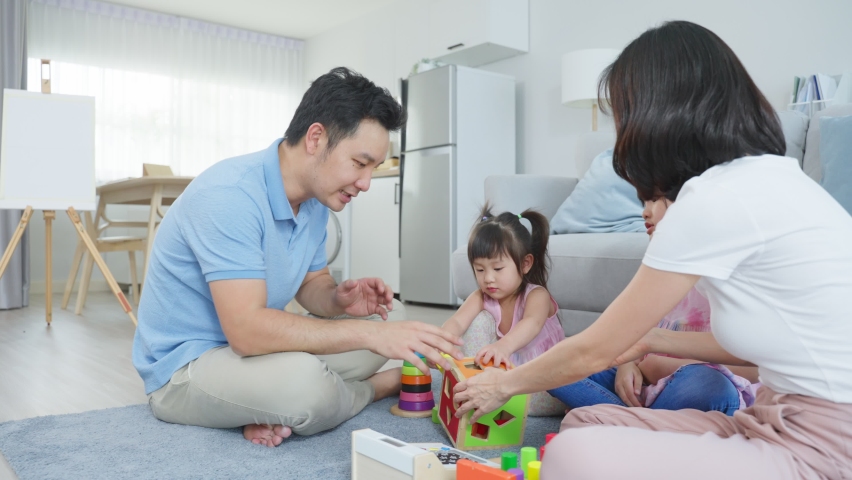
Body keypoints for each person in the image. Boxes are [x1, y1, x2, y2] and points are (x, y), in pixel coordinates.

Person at [451, 21, 852, 479]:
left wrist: (504, 384)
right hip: (767, 418)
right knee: (584, 423)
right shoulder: (769, 177)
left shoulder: (713, 199)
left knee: (570, 454)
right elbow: (770, 341)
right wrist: (651, 339)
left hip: (824, 444)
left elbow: (595, 349)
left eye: (624, 113)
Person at [132, 67, 463, 448]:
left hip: (251, 351)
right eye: (360, 163)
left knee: (394, 315)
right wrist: (371, 334)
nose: (367, 183)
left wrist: (340, 300)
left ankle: (262, 404)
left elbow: (311, 283)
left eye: (373, 168)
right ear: (316, 138)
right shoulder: (229, 195)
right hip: (187, 368)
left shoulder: (315, 199)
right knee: (306, 382)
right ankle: (369, 390)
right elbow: (246, 331)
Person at [547, 196, 759, 415]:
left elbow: (758, 370)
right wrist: (626, 366)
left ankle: (616, 420)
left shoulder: (736, 275)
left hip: (697, 386)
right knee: (553, 363)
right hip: (647, 385)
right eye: (644, 202)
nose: (645, 213)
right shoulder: (659, 267)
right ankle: (633, 422)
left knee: (710, 386)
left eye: (656, 201)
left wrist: (662, 366)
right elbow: (632, 334)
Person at [441, 205, 566, 416]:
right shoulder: (482, 296)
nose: (488, 278)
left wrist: (503, 346)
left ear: (525, 264)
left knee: (522, 398)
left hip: (545, 385)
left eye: (498, 269)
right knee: (478, 320)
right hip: (503, 379)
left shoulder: (537, 295)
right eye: (480, 270)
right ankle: (477, 387)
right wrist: (439, 341)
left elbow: (532, 324)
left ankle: (486, 394)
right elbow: (458, 322)